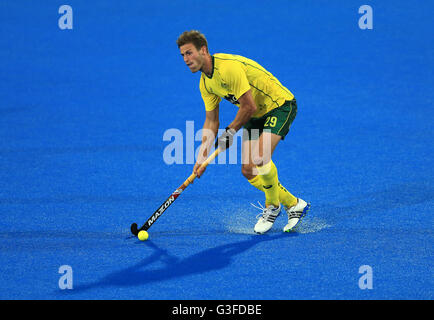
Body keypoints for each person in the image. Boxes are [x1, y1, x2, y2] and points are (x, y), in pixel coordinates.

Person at [176, 30, 310, 234]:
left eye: (189, 53)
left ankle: (271, 207)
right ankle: (295, 205)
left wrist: (229, 132)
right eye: (183, 55)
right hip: (255, 114)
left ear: (203, 50)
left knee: (260, 156)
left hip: (279, 105)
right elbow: (211, 120)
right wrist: (202, 155)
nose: (186, 59)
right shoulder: (205, 83)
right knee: (249, 169)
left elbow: (248, 107)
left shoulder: (227, 68)